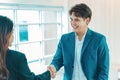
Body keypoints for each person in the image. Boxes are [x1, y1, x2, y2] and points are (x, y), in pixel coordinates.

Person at [47, 3, 109, 80]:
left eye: (77, 20)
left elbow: (103, 71)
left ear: (87, 20)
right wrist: (53, 67)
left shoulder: (99, 40)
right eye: (71, 19)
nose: (73, 23)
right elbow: (57, 60)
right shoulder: (64, 39)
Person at [0, 15, 51, 80]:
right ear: (4, 35)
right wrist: (49, 73)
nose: (13, 37)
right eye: (11, 33)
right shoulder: (17, 58)